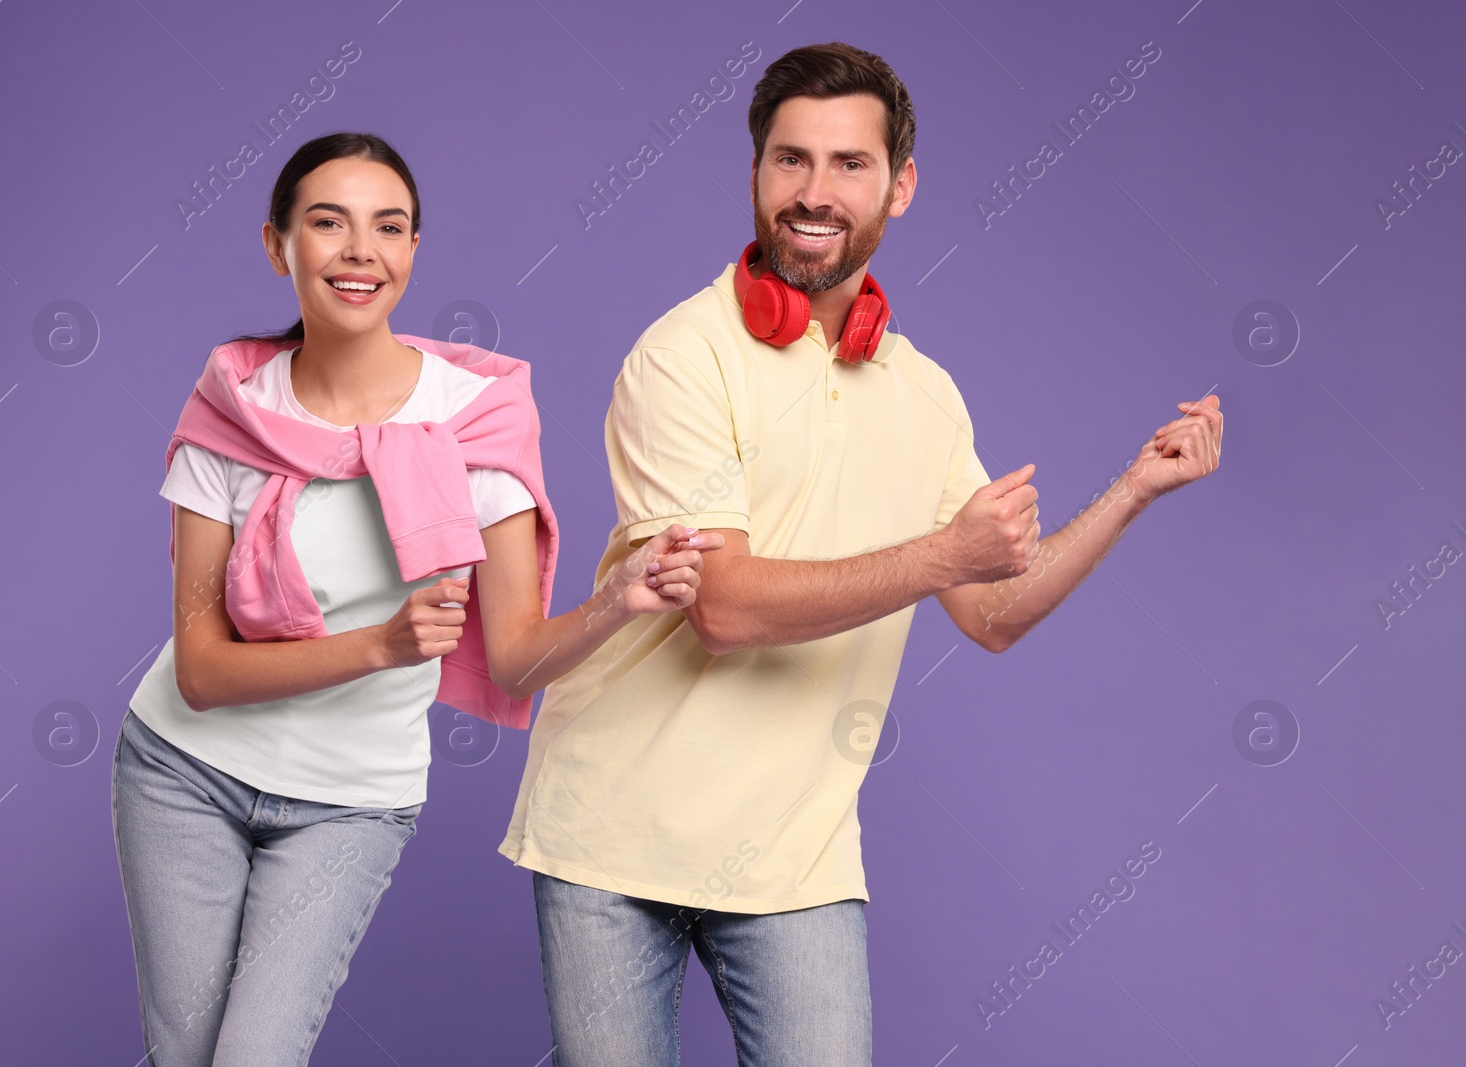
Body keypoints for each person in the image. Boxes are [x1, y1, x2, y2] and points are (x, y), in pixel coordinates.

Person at [499, 42, 1224, 1066]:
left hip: (798, 854)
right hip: (613, 837)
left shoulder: (922, 392)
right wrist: (940, 554)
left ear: (900, 184)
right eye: (790, 160)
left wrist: (1133, 489)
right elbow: (725, 606)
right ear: (754, 173)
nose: (814, 191)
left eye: (847, 164)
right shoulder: (683, 357)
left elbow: (994, 613)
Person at [110, 130, 718, 1067]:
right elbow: (199, 670)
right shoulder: (234, 409)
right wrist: (380, 646)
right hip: (181, 773)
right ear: (279, 246)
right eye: (329, 223)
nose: (361, 251)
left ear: (413, 253)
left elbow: (514, 655)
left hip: (348, 803)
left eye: (388, 228)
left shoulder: (476, 421)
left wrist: (619, 601)